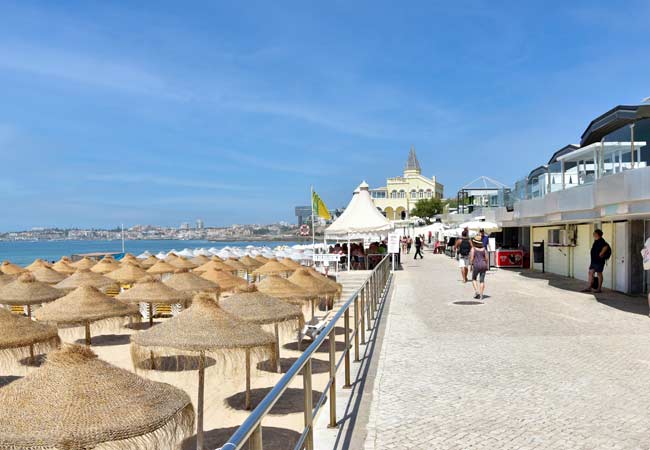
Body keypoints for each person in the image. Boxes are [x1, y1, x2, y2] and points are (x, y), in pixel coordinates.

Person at [583, 229, 611, 293]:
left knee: (599, 273)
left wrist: (601, 253)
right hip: (593, 261)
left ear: (597, 234)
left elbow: (606, 246)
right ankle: (589, 287)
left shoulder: (601, 241)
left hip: (599, 261)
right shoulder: (596, 241)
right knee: (590, 272)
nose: (593, 234)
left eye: (594, 233)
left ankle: (599, 289)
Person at [470, 235, 488, 300]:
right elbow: (486, 258)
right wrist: (486, 265)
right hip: (483, 265)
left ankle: (476, 291)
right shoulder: (484, 249)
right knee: (482, 280)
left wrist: (471, 266)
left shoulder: (473, 249)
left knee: (474, 278)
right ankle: (481, 295)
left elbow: (471, 259)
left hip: (476, 265)